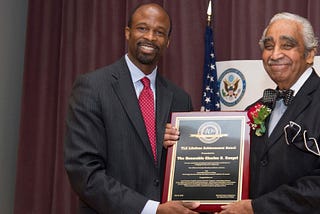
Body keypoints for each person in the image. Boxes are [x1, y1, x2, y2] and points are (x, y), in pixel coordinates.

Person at [64, 3, 200, 214]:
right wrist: (152, 210)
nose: (151, 37)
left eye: (159, 32)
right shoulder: (93, 87)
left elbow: (183, 168)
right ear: (127, 33)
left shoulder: (180, 99)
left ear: (168, 42)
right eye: (143, 28)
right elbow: (84, 174)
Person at [217, 12, 320, 214]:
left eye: (287, 45)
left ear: (309, 54)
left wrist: (258, 208)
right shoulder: (254, 109)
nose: (274, 55)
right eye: (269, 46)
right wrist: (182, 138)